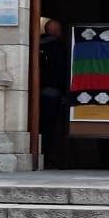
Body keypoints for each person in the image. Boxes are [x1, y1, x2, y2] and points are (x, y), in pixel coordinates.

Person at [39, 18, 69, 167]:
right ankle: (43, 154)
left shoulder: (37, 44)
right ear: (56, 31)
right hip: (52, 91)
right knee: (49, 126)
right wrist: (65, 92)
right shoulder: (57, 47)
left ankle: (38, 153)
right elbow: (61, 71)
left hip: (36, 92)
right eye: (60, 30)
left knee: (39, 124)